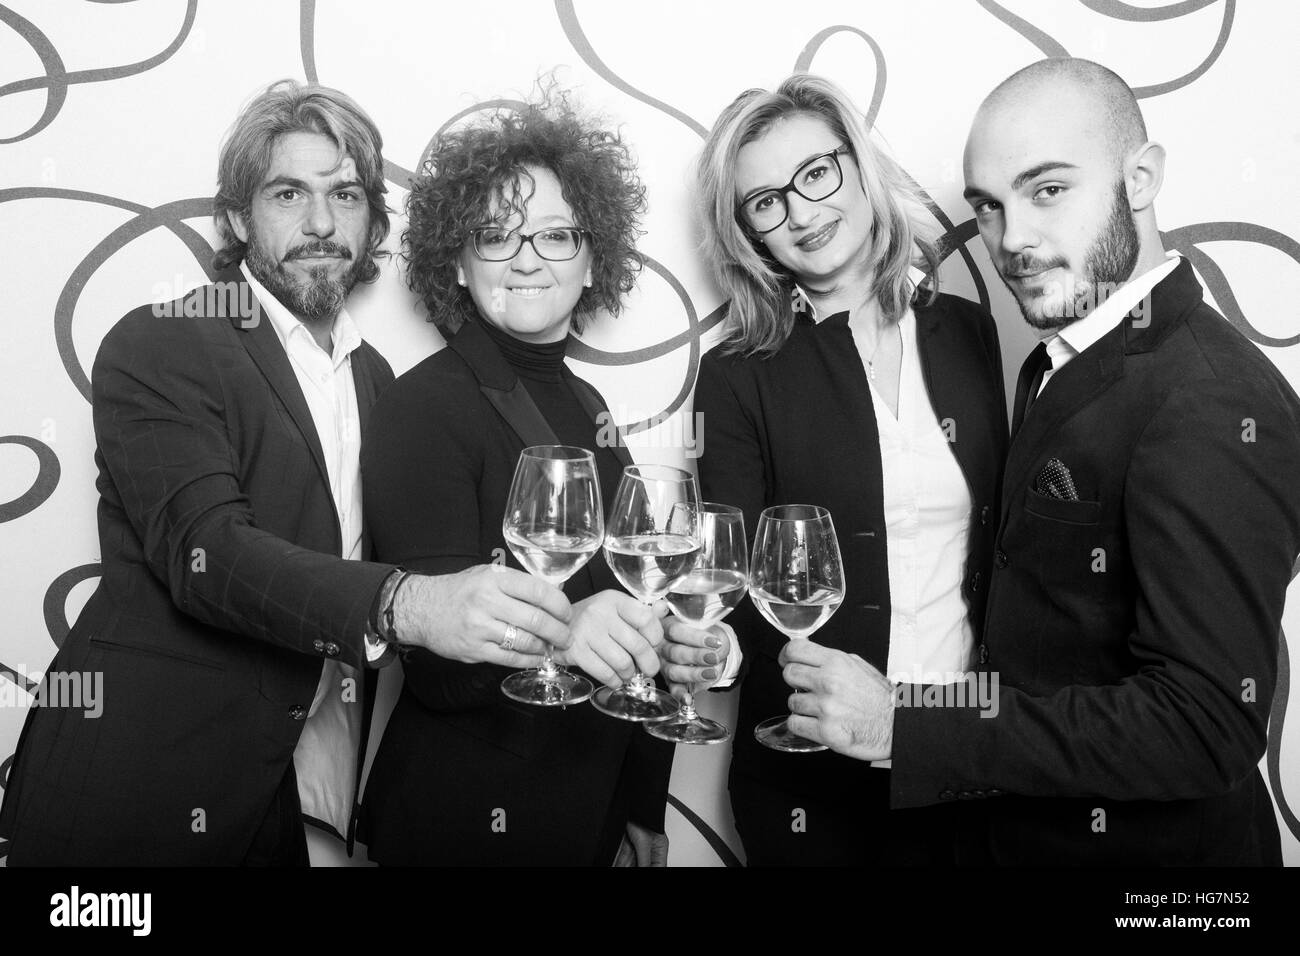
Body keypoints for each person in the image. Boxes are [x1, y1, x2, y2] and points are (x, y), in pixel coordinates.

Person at [0, 80, 574, 866]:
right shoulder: (164, 342)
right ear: (238, 217)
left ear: (372, 218)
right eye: (287, 194)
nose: (320, 223)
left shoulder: (379, 386)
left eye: (345, 195)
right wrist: (409, 603)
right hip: (138, 799)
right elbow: (208, 553)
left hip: (298, 814)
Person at [785, 58, 1300, 866]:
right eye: (988, 207)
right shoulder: (1063, 357)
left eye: (1048, 189)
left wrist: (904, 724)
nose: (1011, 239)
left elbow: (1206, 724)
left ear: (1141, 179)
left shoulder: (1212, 400)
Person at [358, 90, 705, 866]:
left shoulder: (593, 408)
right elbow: (435, 668)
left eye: (555, 235)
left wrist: (641, 803)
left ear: (593, 262)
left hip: (591, 815)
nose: (526, 258)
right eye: (495, 235)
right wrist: (567, 633)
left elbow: (642, 611)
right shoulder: (421, 409)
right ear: (454, 257)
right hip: (459, 826)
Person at [684, 73, 1008, 865]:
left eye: (816, 174)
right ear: (750, 233)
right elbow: (731, 579)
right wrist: (713, 653)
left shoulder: (971, 332)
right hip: (806, 770)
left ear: (859, 167)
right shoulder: (737, 374)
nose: (800, 211)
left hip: (961, 745)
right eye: (765, 202)